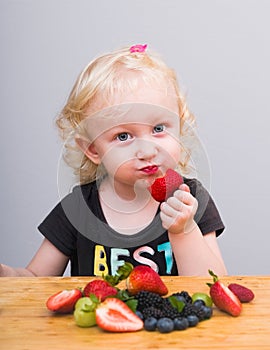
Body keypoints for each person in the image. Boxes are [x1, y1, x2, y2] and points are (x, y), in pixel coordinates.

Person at [0, 44, 227, 277]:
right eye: (123, 136)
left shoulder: (191, 199)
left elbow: (215, 285)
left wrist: (184, 230)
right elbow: (35, 279)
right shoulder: (79, 208)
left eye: (158, 128)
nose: (147, 151)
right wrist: (6, 274)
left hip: (171, 314)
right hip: (101, 314)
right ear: (93, 150)